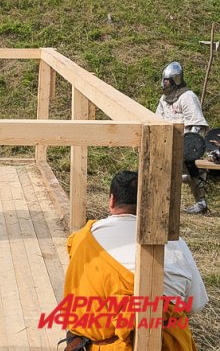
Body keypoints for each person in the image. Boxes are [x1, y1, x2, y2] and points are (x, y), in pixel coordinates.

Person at [62, 170, 207, 350]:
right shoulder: (176, 243)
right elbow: (194, 305)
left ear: (112, 200)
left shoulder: (84, 239)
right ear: (151, 204)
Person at [156, 62, 210, 214]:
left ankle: (201, 203)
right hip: (168, 140)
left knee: (191, 170)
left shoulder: (187, 97)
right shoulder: (164, 99)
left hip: (186, 142)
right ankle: (163, 201)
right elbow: (157, 120)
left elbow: (197, 124)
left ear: (175, 80)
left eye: (167, 81)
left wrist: (189, 148)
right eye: (164, 80)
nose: (164, 83)